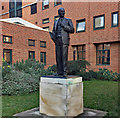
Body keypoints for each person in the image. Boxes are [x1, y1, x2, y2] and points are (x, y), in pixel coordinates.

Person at [50, 8, 74, 77]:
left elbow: (72, 29)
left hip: (64, 40)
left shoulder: (68, 20)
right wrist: (53, 35)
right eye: (61, 12)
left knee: (64, 56)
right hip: (57, 40)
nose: (62, 13)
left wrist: (64, 26)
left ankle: (64, 72)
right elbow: (54, 30)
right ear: (58, 13)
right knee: (58, 56)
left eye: (63, 12)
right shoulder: (56, 22)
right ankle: (59, 72)